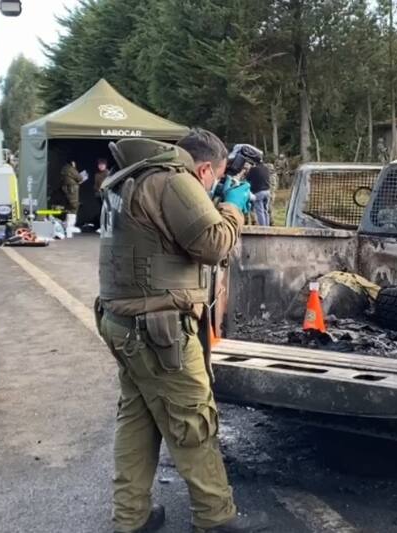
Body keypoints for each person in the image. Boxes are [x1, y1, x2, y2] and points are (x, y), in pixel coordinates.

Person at [95, 129, 268, 533]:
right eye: (211, 178)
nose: (206, 186)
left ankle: (131, 517)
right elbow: (214, 244)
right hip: (160, 330)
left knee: (137, 420)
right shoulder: (174, 181)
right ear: (204, 168)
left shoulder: (133, 177)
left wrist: (213, 198)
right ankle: (215, 519)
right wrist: (233, 207)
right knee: (193, 421)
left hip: (123, 322)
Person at [246, 153, 271, 226]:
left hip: (259, 192)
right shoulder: (266, 168)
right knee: (265, 210)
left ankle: (263, 228)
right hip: (267, 191)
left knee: (260, 211)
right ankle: (267, 227)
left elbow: (248, 178)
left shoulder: (254, 169)